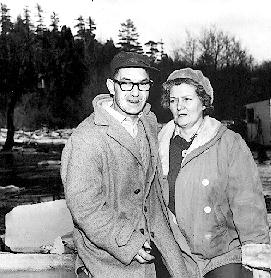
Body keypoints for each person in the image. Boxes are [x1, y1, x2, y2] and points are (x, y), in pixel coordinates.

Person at [60, 52, 193, 278]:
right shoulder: (86, 138)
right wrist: (128, 241)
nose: (135, 92)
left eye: (142, 84)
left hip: (154, 251)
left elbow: (153, 199)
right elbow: (85, 207)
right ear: (111, 86)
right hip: (108, 260)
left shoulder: (147, 124)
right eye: (126, 83)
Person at [158, 68, 271, 278]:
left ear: (203, 102)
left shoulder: (229, 143)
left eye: (187, 99)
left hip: (221, 251)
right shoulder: (159, 144)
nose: (179, 106)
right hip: (176, 251)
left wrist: (257, 261)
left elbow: (248, 203)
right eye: (173, 100)